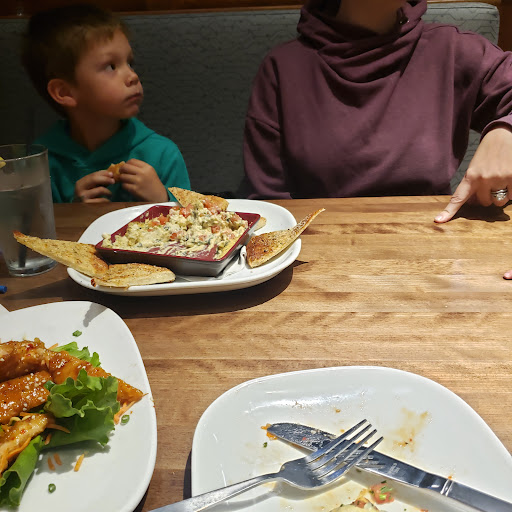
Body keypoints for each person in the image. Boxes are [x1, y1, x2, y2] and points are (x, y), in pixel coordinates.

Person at [243, 0, 512, 225]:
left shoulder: (453, 49)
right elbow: (268, 207)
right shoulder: (282, 69)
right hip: (315, 255)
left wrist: (506, 131)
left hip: (435, 246)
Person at [22, 4, 190, 203]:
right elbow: (35, 220)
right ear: (64, 92)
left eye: (130, 63)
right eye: (111, 66)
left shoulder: (162, 154)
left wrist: (162, 198)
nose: (133, 76)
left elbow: (194, 217)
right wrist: (74, 209)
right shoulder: (41, 163)